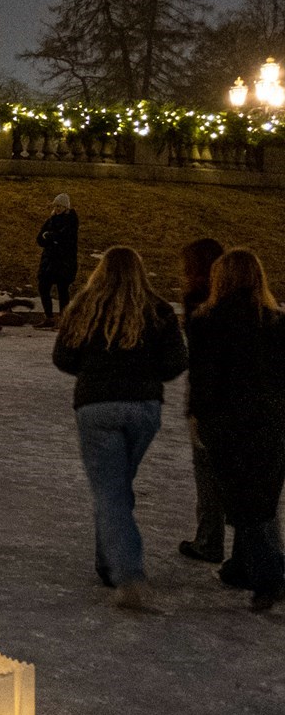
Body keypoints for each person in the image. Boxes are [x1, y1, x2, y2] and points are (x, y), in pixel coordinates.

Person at [52, 246, 188, 610]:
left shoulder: (84, 305)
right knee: (116, 486)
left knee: (110, 491)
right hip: (143, 408)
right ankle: (108, 563)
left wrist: (96, 373)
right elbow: (177, 362)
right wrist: (142, 375)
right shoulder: (158, 309)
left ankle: (128, 575)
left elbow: (63, 357)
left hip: (96, 407)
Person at [184, 248, 285, 610]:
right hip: (273, 422)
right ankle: (243, 566)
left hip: (228, 422)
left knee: (243, 501)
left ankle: (270, 576)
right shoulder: (275, 321)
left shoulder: (206, 321)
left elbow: (203, 377)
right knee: (262, 497)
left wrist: (199, 417)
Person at [177, 238, 228, 564]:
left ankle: (210, 539)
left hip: (211, 399)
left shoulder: (200, 304)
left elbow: (199, 358)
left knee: (208, 470)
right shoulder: (242, 300)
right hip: (240, 400)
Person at [35, 193, 79, 329]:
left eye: (60, 206)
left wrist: (51, 236)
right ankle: (49, 317)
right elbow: (40, 238)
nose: (58, 208)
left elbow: (65, 238)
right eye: (56, 206)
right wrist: (49, 238)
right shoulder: (51, 220)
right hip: (49, 261)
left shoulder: (71, 220)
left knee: (62, 289)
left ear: (66, 207)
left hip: (64, 261)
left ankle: (63, 319)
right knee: (43, 286)